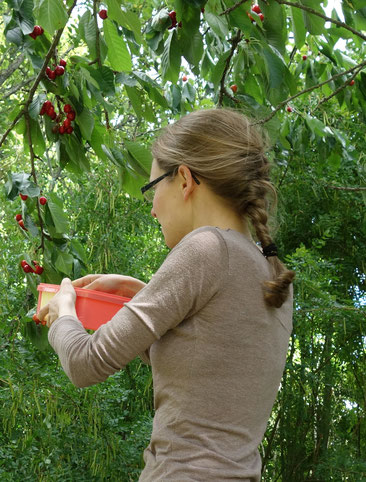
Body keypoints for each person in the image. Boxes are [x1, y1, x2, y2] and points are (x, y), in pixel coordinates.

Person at [38, 107, 295, 481]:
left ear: (186, 180)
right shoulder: (268, 272)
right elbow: (203, 361)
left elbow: (84, 363)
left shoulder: (206, 248)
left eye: (153, 188)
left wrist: (63, 312)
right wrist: (145, 296)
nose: (153, 207)